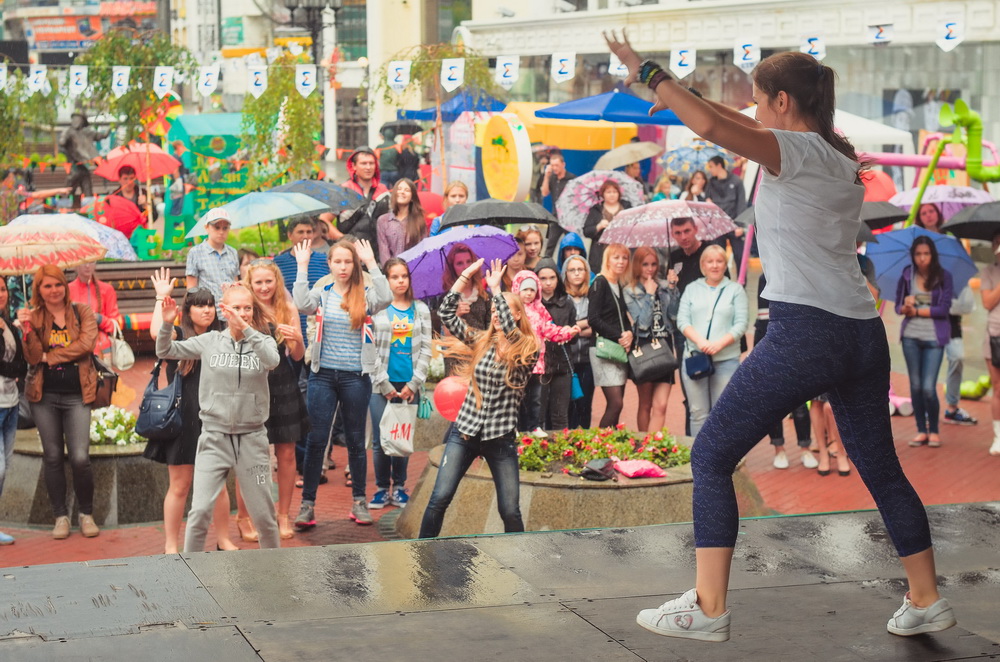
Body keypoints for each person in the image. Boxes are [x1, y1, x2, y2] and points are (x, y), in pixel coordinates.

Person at [608, 35, 955, 641]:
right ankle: (925, 596)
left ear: (785, 102)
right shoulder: (837, 156)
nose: (756, 111)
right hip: (860, 331)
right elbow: (721, 120)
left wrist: (650, 73)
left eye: (760, 101)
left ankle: (709, 607)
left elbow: (717, 127)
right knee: (880, 467)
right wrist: (681, 97)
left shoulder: (791, 150)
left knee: (710, 453)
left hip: (807, 330)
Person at [418, 258, 538, 538]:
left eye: (504, 310)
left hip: (500, 438)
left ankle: (519, 559)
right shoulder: (483, 340)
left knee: (510, 510)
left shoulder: (528, 348)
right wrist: (466, 277)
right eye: (495, 309)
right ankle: (419, 553)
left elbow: (511, 332)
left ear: (518, 315)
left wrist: (497, 289)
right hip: (465, 432)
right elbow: (447, 313)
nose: (497, 314)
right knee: (439, 499)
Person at [156, 284, 281, 552]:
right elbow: (166, 351)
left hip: (253, 441)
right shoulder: (210, 342)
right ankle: (193, 576)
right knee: (199, 513)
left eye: (247, 308)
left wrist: (247, 330)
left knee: (265, 518)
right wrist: (167, 325)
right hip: (213, 438)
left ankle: (275, 575)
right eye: (236, 308)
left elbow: (272, 360)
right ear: (224, 310)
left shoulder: (264, 340)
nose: (243, 313)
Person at [292, 238, 391, 529]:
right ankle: (307, 505)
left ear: (355, 263)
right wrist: (301, 267)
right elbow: (302, 305)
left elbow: (386, 297)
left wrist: (372, 262)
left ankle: (359, 502)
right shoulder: (322, 290)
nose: (343, 267)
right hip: (322, 375)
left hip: (355, 376)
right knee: (316, 440)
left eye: (348, 261)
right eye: (338, 261)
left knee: (356, 441)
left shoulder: (367, 291)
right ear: (330, 264)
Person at [145, 269, 240, 553]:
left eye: (210, 304)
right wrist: (161, 298)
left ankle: (223, 539)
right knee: (180, 485)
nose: (206, 310)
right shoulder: (177, 335)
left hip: (215, 418)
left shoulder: (224, 336)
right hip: (182, 420)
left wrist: (233, 297)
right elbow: (155, 334)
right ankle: (171, 544)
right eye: (199, 304)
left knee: (219, 485)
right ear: (188, 310)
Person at [18, 265, 100, 540]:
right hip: (44, 396)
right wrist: (27, 331)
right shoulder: (35, 316)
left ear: (65, 286)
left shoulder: (81, 312)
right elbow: (31, 357)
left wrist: (50, 357)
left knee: (80, 457)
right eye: (47, 286)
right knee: (52, 456)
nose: (54, 290)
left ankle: (86, 514)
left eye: (58, 285)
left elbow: (86, 344)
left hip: (78, 394)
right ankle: (60, 516)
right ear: (39, 290)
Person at [245, 259, 307, 539]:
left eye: (268, 281)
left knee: (286, 452)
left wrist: (296, 338)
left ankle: (283, 515)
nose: (264, 287)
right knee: (249, 455)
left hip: (282, 383)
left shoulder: (287, 308)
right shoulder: (245, 309)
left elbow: (297, 356)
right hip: (251, 384)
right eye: (258, 282)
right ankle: (245, 517)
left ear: (276, 281)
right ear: (250, 283)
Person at [368, 258, 432, 510]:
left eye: (404, 276)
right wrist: (383, 383)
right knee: (381, 438)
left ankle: (400, 487)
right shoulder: (377, 309)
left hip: (409, 383)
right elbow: (368, 348)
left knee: (402, 435)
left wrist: (414, 383)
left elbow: (427, 348)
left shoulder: (421, 309)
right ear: (386, 279)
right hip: (380, 384)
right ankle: (382, 489)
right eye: (394, 277)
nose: (400, 281)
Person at [916, 203, 977, 426]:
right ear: (919, 218)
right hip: (926, 310)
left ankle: (952, 406)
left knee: (957, 357)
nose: (928, 215)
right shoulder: (917, 243)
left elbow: (964, 265)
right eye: (923, 212)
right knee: (926, 362)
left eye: (931, 211)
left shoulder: (952, 239)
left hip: (950, 311)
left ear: (938, 214)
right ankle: (924, 407)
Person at [677, 244, 747, 437]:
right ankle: (700, 462)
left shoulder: (735, 290)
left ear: (725, 265)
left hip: (726, 360)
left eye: (719, 261)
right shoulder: (692, 289)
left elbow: (741, 324)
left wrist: (718, 344)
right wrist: (701, 342)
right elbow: (682, 321)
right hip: (695, 357)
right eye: (710, 261)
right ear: (703, 265)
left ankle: (721, 462)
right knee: (698, 414)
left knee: (722, 414)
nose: (715, 265)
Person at [753, 272, 815, 470]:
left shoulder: (802, 273)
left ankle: (805, 448)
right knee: (773, 404)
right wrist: (759, 352)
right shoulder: (766, 277)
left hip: (799, 347)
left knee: (799, 404)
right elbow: (762, 316)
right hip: (772, 346)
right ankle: (779, 449)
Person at [895, 236, 953, 448]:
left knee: (929, 387)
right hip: (911, 336)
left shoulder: (943, 276)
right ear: (913, 255)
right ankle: (921, 430)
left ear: (932, 255)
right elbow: (897, 308)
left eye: (926, 254)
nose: (922, 258)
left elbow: (944, 309)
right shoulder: (907, 275)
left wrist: (917, 310)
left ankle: (934, 430)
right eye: (918, 254)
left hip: (934, 338)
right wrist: (905, 305)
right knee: (916, 386)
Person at [512, 267, 578, 432]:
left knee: (535, 398)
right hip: (517, 363)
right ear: (517, 289)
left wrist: (567, 332)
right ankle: (514, 428)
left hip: (536, 363)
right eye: (525, 289)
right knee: (516, 398)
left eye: (532, 290)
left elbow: (550, 330)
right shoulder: (512, 310)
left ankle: (534, 427)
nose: (528, 293)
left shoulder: (539, 311)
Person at [624, 247, 680, 432]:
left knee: (661, 405)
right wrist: (649, 294)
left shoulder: (664, 286)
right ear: (637, 265)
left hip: (664, 346)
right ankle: (644, 449)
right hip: (645, 347)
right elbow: (642, 324)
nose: (650, 268)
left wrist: (672, 289)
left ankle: (652, 447)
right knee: (645, 404)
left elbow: (673, 316)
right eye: (645, 264)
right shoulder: (629, 291)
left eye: (653, 264)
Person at [587, 243, 633, 428]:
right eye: (616, 257)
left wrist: (629, 332)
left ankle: (610, 446)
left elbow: (621, 317)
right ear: (607, 259)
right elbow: (593, 318)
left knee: (617, 403)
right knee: (616, 403)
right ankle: (599, 446)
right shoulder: (600, 282)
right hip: (603, 348)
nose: (621, 262)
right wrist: (620, 336)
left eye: (624, 258)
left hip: (618, 348)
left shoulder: (619, 284)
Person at [536, 259, 579, 430]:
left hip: (562, 364)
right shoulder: (532, 304)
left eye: (552, 278)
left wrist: (570, 332)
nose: (548, 283)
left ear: (558, 279)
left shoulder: (566, 302)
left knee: (560, 416)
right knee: (538, 416)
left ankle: (561, 451)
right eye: (543, 278)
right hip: (539, 366)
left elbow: (575, 339)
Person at [0, 278, 25, 545]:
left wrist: (23, 331)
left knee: (5, 467)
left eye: (3, 289)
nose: (1, 294)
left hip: (11, 404)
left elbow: (22, 364)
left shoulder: (8, 324)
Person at [335, 147, 390, 260]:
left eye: (371, 163)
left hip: (377, 253)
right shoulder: (344, 190)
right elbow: (324, 221)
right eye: (364, 163)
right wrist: (344, 240)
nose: (368, 167)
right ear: (354, 166)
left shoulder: (383, 190)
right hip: (349, 256)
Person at [563, 254, 595, 428]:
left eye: (580, 269)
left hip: (587, 359)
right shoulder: (562, 299)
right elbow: (561, 328)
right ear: (565, 273)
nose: (576, 273)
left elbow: (596, 324)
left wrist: (573, 329)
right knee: (569, 405)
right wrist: (584, 324)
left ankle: (587, 439)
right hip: (567, 360)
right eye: (572, 270)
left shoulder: (592, 296)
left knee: (585, 403)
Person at [186, 207, 240, 308]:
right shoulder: (195, 252)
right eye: (217, 227)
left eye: (225, 228)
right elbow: (191, 288)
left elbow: (235, 282)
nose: (221, 232)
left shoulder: (233, 252)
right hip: (208, 310)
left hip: (231, 309)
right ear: (207, 227)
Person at [68, 261, 119, 360]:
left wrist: (98, 318)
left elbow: (115, 325)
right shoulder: (67, 290)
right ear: (75, 265)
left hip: (102, 349)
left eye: (91, 262)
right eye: (83, 262)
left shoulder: (107, 289)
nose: (87, 265)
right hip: (76, 347)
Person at [705, 156, 748, 271]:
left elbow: (741, 204)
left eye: (711, 166)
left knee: (739, 256)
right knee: (719, 256)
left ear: (719, 165)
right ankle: (723, 280)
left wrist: (740, 225)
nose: (710, 169)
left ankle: (741, 283)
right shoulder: (711, 182)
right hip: (718, 226)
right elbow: (707, 200)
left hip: (734, 225)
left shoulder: (736, 181)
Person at [979, 230, 1000, 457]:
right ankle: (998, 436)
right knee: (998, 388)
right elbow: (987, 302)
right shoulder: (988, 272)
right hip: (994, 336)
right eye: (996, 243)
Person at [584, 179, 632, 275]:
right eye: (608, 192)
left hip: (622, 249)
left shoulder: (627, 207)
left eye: (615, 192)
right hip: (601, 252)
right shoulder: (596, 210)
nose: (612, 194)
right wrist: (599, 226)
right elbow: (586, 231)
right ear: (603, 194)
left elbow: (634, 227)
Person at [376, 178, 426, 264]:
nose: (402, 192)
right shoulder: (383, 220)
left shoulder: (419, 221)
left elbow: (422, 251)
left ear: (412, 197)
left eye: (407, 190)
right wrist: (391, 271)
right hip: (391, 272)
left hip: (412, 270)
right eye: (399, 189)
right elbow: (383, 252)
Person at [540, 151, 576, 257]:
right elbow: (544, 192)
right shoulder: (552, 178)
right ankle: (546, 266)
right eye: (552, 165)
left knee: (571, 243)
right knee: (550, 245)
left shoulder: (571, 179)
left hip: (568, 217)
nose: (555, 168)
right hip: (556, 217)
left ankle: (571, 263)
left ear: (563, 165)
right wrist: (546, 176)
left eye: (557, 165)